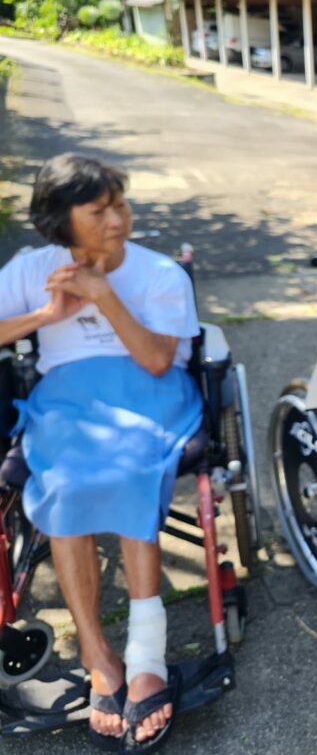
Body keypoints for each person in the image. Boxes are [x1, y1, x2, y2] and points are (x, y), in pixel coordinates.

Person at [0, 154, 202, 752]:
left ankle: (145, 656)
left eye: (121, 203)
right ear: (62, 222)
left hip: (150, 390)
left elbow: (159, 360)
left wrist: (104, 296)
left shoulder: (160, 273)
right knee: (64, 480)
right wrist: (45, 315)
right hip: (68, 397)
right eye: (99, 209)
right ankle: (97, 653)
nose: (118, 218)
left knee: (130, 469)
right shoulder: (32, 268)